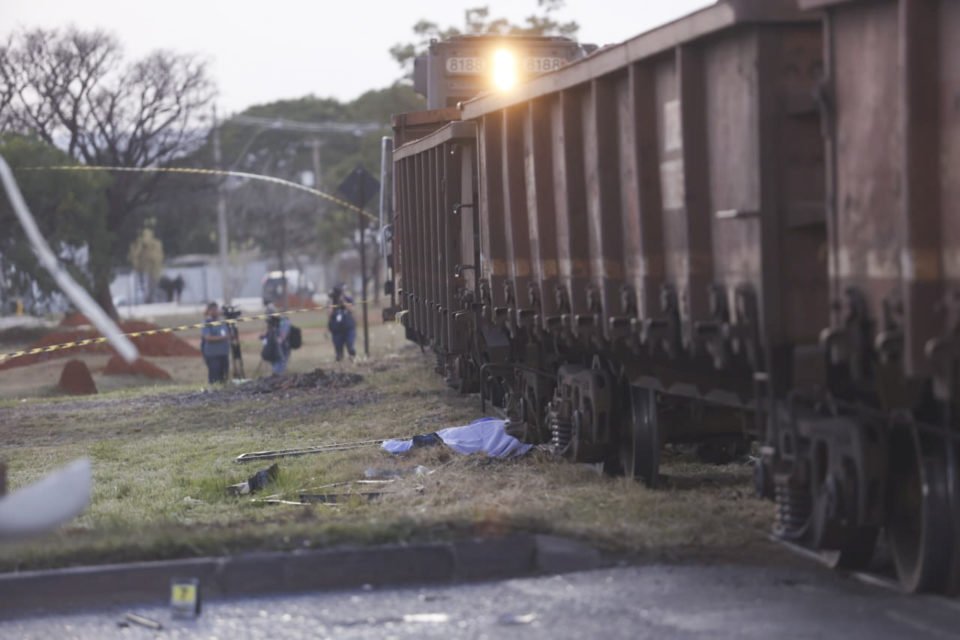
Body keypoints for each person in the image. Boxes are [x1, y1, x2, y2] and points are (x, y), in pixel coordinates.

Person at [200, 302, 230, 384]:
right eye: (212, 310)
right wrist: (223, 338)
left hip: (224, 353)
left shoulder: (223, 322)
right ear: (208, 311)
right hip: (212, 354)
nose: (215, 311)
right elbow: (208, 338)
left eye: (216, 309)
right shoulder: (206, 322)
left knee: (224, 376)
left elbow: (229, 334)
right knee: (214, 377)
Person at [328, 284, 357, 362]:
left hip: (348, 327)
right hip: (336, 329)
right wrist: (332, 301)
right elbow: (329, 314)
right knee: (338, 349)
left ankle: (352, 357)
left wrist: (343, 301)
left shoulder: (348, 299)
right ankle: (340, 359)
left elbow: (352, 309)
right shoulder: (332, 301)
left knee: (350, 345)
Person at [261, 303, 291, 374]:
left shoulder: (283, 321)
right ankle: (275, 376)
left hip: (282, 347)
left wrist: (279, 340)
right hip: (273, 348)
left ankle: (278, 376)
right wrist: (265, 338)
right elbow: (269, 332)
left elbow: (283, 334)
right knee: (275, 365)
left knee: (280, 365)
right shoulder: (272, 323)